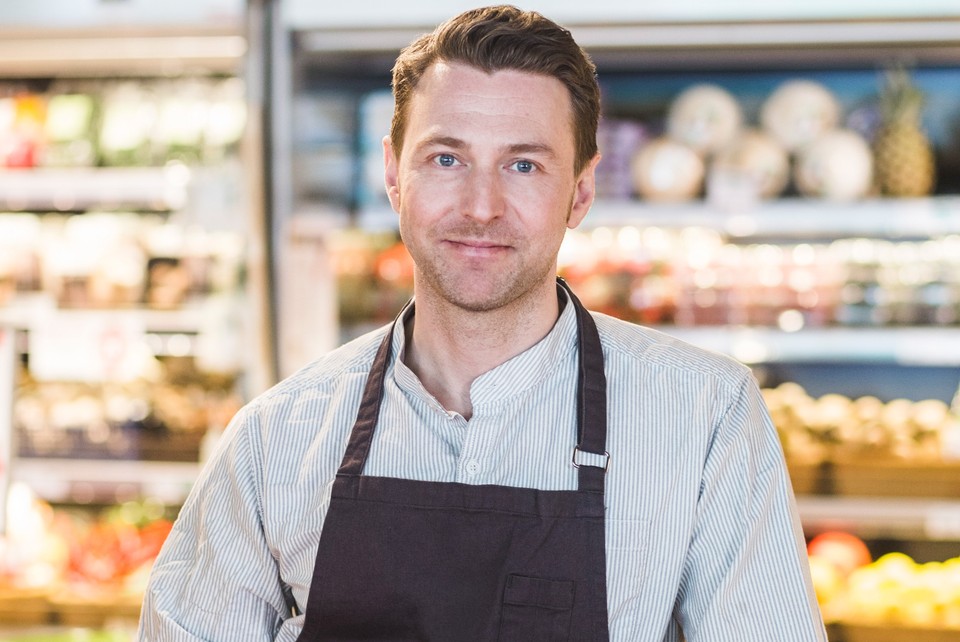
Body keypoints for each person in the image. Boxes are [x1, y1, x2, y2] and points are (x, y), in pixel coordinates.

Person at [138, 5, 827, 641]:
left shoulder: (704, 416)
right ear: (393, 174)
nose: (481, 205)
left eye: (523, 164)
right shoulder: (274, 438)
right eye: (446, 158)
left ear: (580, 191)